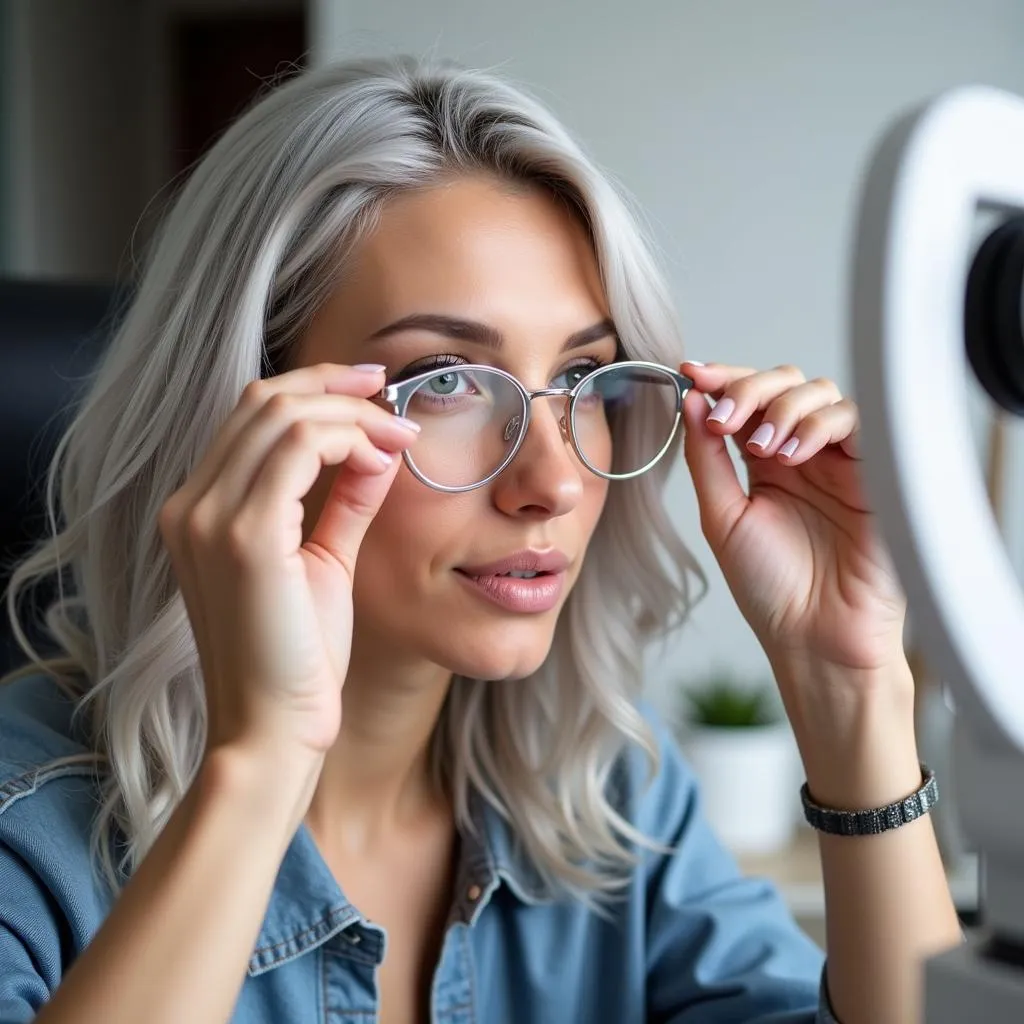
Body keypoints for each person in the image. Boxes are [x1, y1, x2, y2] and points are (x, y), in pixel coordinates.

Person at [0, 55, 961, 1024]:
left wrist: (852, 686)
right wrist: (257, 767)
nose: (551, 482)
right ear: (241, 417)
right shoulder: (24, 834)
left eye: (586, 374)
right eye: (449, 380)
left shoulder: (606, 785)